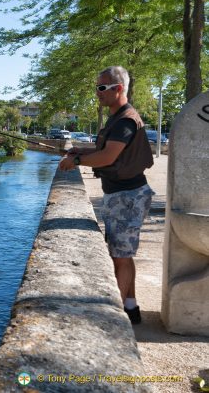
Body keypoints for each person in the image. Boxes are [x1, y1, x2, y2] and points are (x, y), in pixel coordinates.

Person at [59, 66, 154, 325]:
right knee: (121, 254)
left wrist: (77, 160)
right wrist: (82, 149)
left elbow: (109, 156)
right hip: (122, 193)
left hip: (127, 195)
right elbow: (109, 150)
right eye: (97, 87)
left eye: (102, 88)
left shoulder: (125, 120)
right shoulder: (118, 117)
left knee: (120, 256)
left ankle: (116, 320)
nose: (97, 93)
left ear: (118, 89)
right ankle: (130, 307)